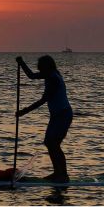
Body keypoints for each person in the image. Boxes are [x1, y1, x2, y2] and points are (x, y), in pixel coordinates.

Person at [15, 55, 73, 183]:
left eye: (41, 69)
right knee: (49, 142)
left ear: (47, 68)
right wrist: (22, 63)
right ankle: (57, 172)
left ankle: (63, 175)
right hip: (56, 115)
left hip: (63, 115)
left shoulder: (54, 79)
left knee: (54, 144)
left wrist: (24, 111)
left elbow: (43, 100)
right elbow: (31, 76)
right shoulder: (49, 74)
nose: (40, 72)